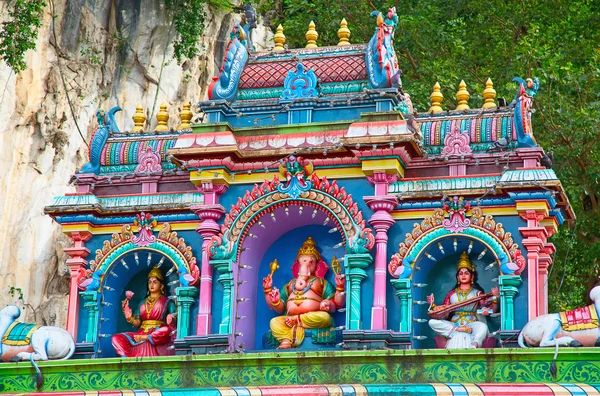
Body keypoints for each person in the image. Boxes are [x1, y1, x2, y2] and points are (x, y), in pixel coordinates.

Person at [262, 237, 345, 349]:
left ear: (317, 265)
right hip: (288, 319)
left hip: (311, 318)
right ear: (298, 265)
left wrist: (334, 296)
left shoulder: (321, 282)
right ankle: (286, 340)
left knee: (325, 317)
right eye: (302, 262)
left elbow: (337, 305)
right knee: (274, 322)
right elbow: (280, 309)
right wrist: (272, 296)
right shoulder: (290, 284)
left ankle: (296, 320)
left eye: (311, 262)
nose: (305, 265)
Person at [427, 252, 499, 349]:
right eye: (461, 273)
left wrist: (494, 301)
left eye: (466, 273)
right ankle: (459, 329)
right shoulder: (451, 294)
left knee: (482, 327)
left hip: (472, 323)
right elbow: (445, 313)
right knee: (432, 322)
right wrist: (432, 305)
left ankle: (475, 344)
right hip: (454, 325)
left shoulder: (477, 294)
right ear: (457, 277)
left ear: (472, 276)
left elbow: (487, 310)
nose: (463, 275)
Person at [112, 265, 177, 357]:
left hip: (157, 333)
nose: (151, 284)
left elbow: (176, 317)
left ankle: (146, 338)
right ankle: (126, 358)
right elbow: (138, 323)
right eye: (150, 282)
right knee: (116, 338)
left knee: (166, 330)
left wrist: (172, 316)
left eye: (155, 282)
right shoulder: (142, 302)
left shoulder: (167, 301)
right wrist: (129, 317)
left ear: (161, 285)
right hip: (140, 333)